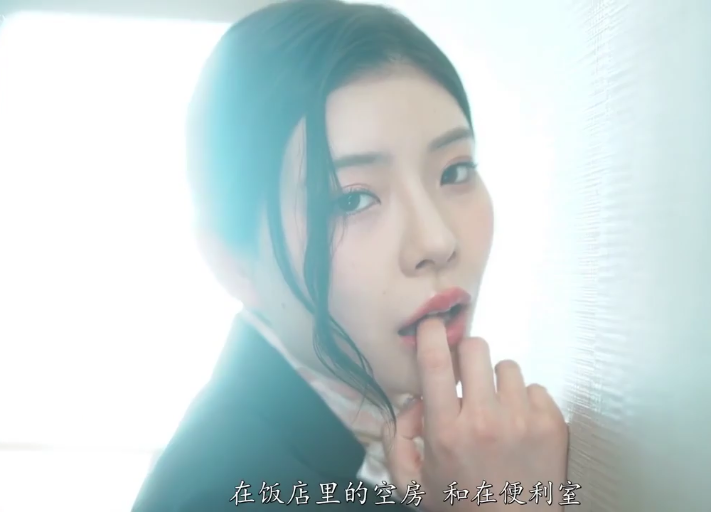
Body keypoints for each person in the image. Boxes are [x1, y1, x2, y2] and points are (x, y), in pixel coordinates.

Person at [131, 1, 569, 510]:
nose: (436, 241)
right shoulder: (229, 492)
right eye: (352, 199)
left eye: (454, 171)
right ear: (234, 262)